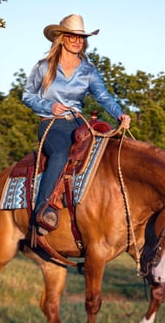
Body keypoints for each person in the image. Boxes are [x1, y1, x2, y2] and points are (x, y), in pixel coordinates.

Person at [22, 13, 131, 233]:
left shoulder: (88, 70)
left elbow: (104, 96)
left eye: (81, 37)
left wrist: (120, 114)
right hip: (52, 124)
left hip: (79, 125)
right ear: (61, 37)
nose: (77, 41)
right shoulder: (44, 66)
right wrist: (48, 106)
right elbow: (27, 96)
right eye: (72, 36)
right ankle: (42, 210)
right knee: (61, 153)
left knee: (105, 153)